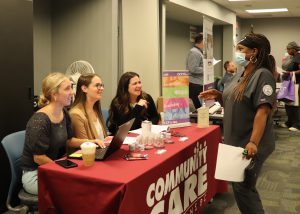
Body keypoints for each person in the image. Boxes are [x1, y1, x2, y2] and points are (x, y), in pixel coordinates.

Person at [200, 33, 276, 214]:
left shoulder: (262, 75)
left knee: (244, 188)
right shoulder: (242, 72)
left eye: (241, 49)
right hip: (235, 140)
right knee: (240, 187)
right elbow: (239, 98)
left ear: (254, 51)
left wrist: (253, 142)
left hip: (250, 142)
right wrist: (219, 96)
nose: (237, 53)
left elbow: (263, 111)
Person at [21, 72, 104, 195]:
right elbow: (38, 158)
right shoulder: (39, 120)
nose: (72, 92)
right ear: (54, 94)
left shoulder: (64, 113)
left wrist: (91, 141)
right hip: (35, 174)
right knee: (75, 189)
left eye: (71, 87)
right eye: (67, 89)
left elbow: (69, 140)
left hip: (54, 166)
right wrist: (62, 169)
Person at [69, 74, 107, 141]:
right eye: (97, 85)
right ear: (84, 88)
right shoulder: (76, 114)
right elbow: (86, 145)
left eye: (102, 85)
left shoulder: (95, 110)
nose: (102, 88)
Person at [280, 41, 300, 131]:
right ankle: (290, 122)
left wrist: (290, 73)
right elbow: (285, 67)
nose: (287, 50)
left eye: (288, 49)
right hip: (290, 83)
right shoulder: (291, 57)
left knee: (295, 104)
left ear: (293, 49)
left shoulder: (299, 56)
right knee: (288, 102)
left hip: (297, 83)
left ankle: (297, 124)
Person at [186, 33, 204, 109]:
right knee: (198, 108)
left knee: (200, 107)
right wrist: (206, 69)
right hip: (195, 85)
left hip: (198, 83)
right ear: (202, 41)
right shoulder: (194, 52)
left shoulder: (199, 51)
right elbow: (193, 68)